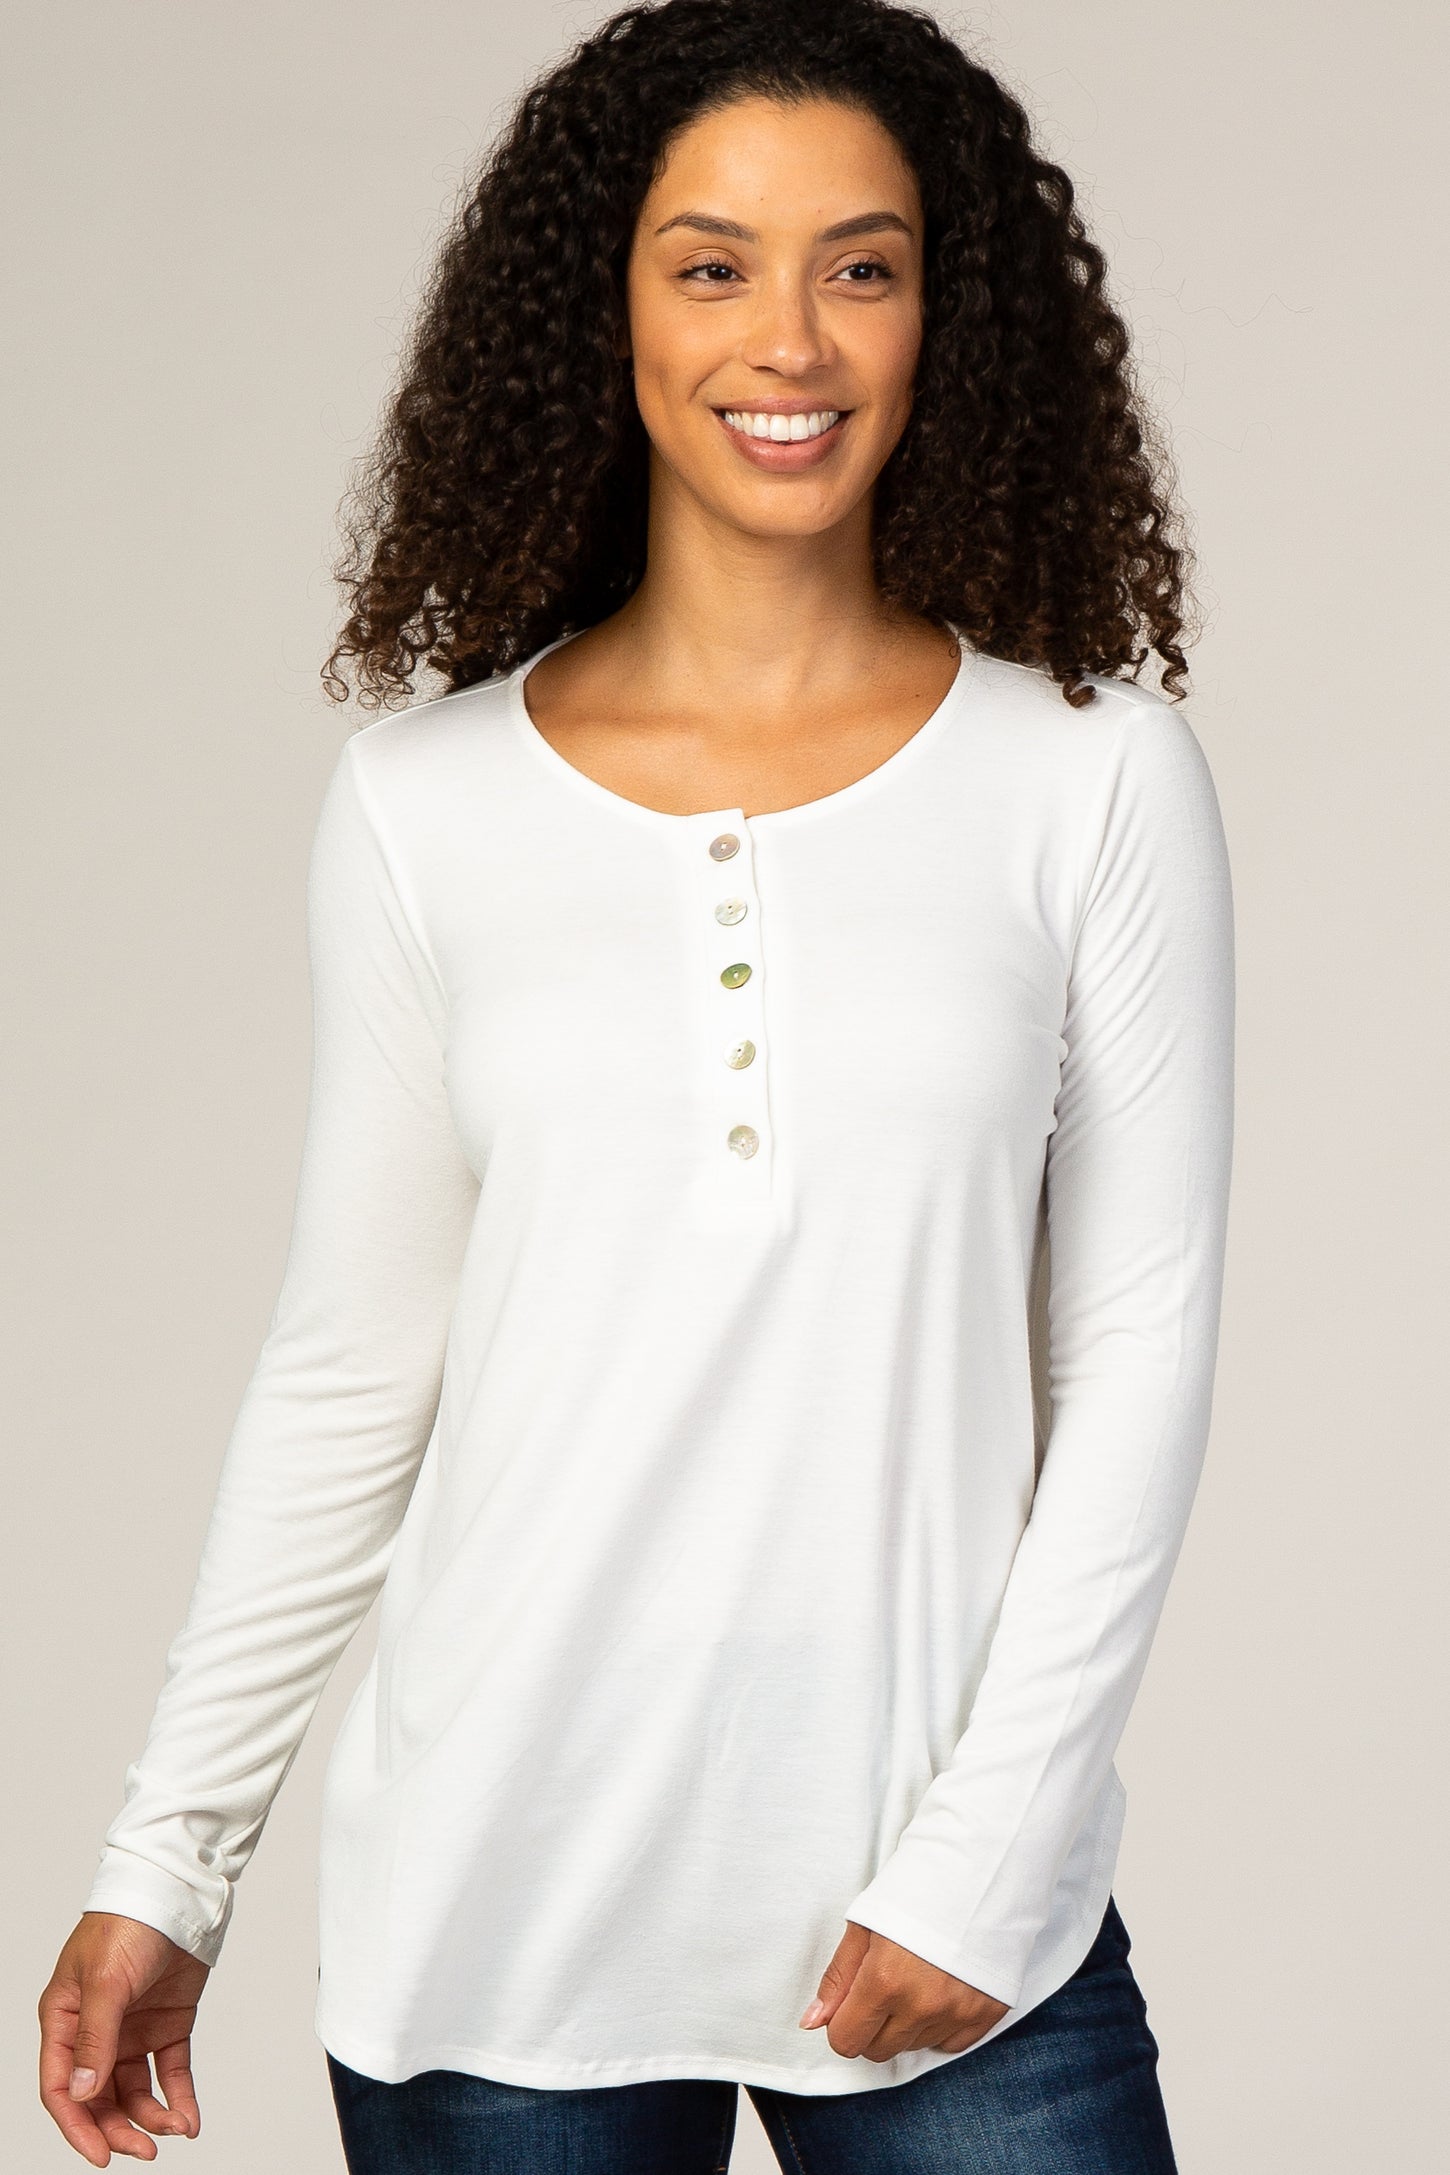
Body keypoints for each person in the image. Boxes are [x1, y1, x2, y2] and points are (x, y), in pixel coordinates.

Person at [38, 1, 1236, 2168]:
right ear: (601, 311)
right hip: (496, 1912)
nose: (790, 339)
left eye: (860, 265)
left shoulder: (1089, 775)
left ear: (946, 318)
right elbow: (352, 1366)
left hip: (953, 1910)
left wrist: (988, 1851)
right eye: (710, 265)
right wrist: (170, 1855)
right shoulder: (423, 805)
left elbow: (1135, 1345)